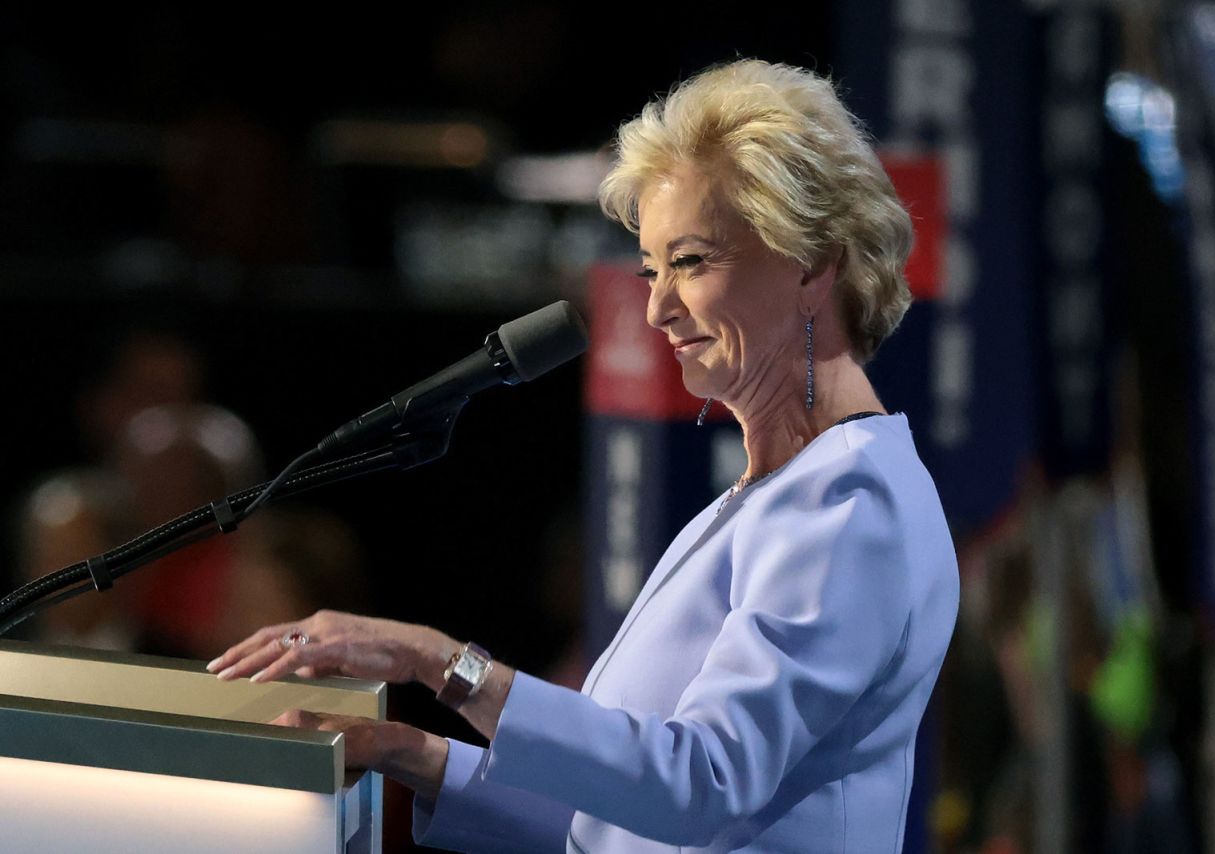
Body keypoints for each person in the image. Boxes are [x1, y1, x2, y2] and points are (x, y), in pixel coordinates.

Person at [208, 59, 960, 853]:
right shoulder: (770, 492)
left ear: (813, 262)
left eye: (693, 261)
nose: (657, 307)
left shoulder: (846, 504)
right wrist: (405, 751)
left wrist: (439, 662)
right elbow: (614, 821)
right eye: (650, 267)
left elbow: (698, 785)